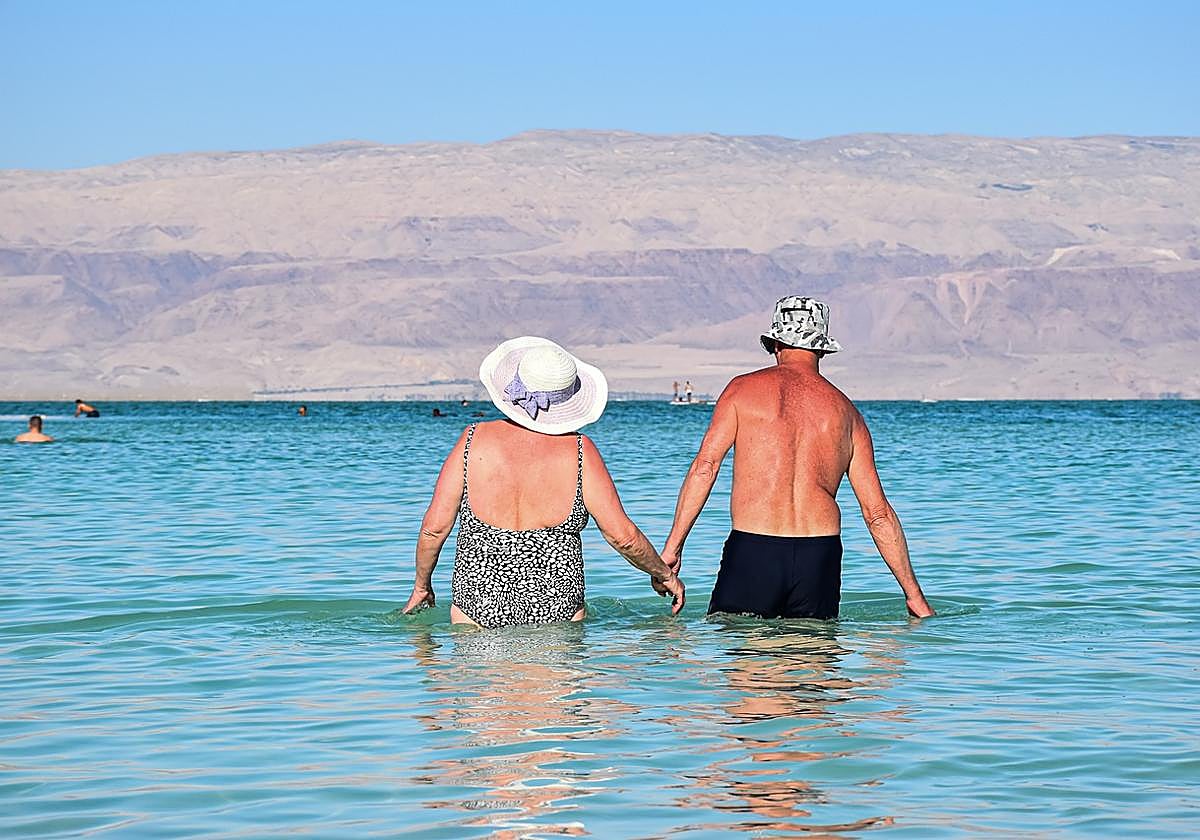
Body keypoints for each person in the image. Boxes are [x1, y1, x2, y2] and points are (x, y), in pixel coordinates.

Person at [661, 296, 934, 620]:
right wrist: (914, 596)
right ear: (821, 349)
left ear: (775, 343)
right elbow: (877, 514)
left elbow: (706, 468)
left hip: (754, 548)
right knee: (815, 663)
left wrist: (674, 546)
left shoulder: (741, 391)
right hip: (819, 555)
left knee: (748, 664)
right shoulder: (847, 413)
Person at [403, 336, 685, 627]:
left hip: (476, 607)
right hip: (558, 610)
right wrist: (664, 574)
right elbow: (621, 536)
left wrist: (422, 586)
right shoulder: (579, 451)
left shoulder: (472, 441)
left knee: (481, 672)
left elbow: (434, 528)